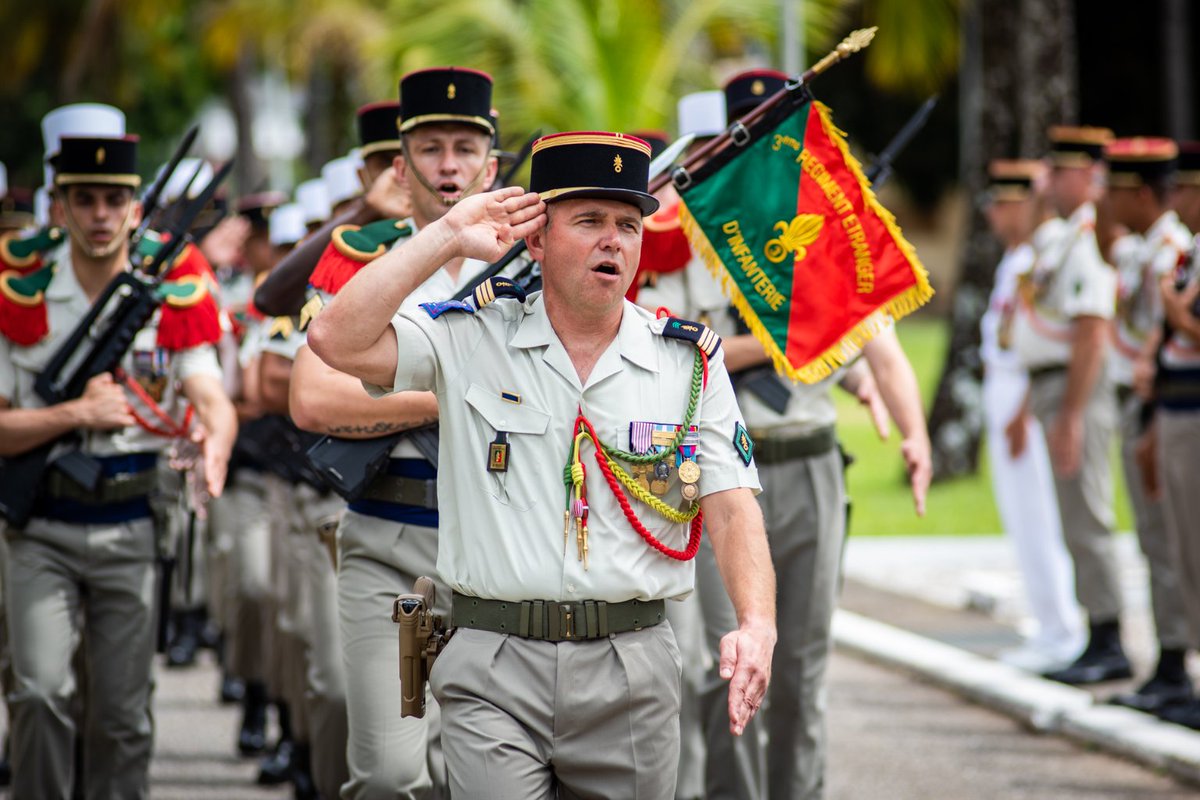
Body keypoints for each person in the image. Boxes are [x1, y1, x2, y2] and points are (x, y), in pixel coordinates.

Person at [308, 130, 776, 799]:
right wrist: (444, 235)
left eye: (626, 224)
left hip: (631, 668)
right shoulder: (468, 336)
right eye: (588, 221)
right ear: (536, 238)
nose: (612, 240)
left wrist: (756, 623)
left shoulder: (687, 362)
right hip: (493, 662)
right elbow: (334, 338)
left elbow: (731, 508)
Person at [290, 66, 507, 799]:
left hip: (497, 555)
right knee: (389, 775)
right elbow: (314, 400)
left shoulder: (529, 267)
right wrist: (442, 402)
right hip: (390, 545)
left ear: (493, 162)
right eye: (432, 147)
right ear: (401, 163)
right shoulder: (362, 259)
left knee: (474, 776)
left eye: (466, 147)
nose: (450, 166)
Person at [0, 133, 236, 798]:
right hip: (38, 525)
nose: (101, 214)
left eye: (115, 200)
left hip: (131, 527)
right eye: (85, 199)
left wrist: (214, 444)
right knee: (40, 695)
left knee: (123, 718)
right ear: (60, 207)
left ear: (136, 210)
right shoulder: (22, 293)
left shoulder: (168, 296)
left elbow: (211, 397)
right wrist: (73, 414)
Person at [1008, 125, 1127, 685]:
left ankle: (1111, 637)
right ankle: (1096, 630)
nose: (1049, 179)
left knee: (1089, 513)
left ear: (1089, 175)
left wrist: (1072, 415)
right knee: (1073, 515)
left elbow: (1092, 332)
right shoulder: (1062, 235)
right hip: (1055, 383)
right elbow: (1030, 243)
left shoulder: (1090, 239)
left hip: (1079, 385)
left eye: (1060, 170)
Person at [1100, 138, 1194, 711]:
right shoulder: (1148, 249)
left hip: (1166, 401)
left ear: (1141, 192)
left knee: (1171, 539)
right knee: (1157, 537)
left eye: (1114, 190)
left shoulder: (1171, 252)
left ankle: (1178, 661)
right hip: (1148, 399)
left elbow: (1167, 330)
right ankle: (1169, 658)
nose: (1105, 201)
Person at [980, 159, 1084, 673]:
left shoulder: (1045, 253)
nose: (994, 214)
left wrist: (1021, 413)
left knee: (1041, 515)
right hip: (1002, 390)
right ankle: (1047, 626)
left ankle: (1063, 629)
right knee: (1021, 519)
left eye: (1003, 203)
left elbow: (1033, 345)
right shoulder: (1015, 260)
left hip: (1024, 395)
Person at [1151, 185, 1200, 730]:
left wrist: (1174, 307)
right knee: (1184, 551)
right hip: (1175, 402)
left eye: (1184, 187)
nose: (1177, 199)